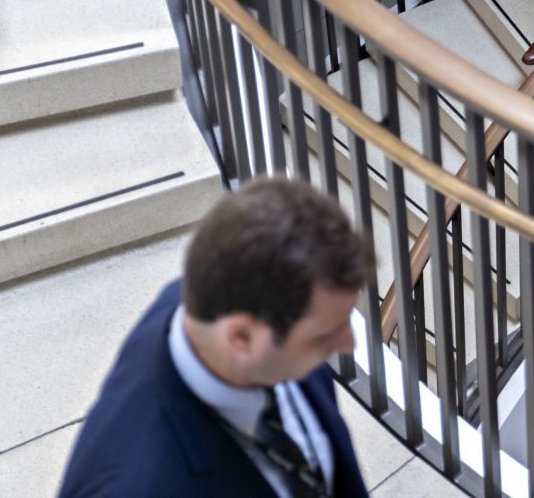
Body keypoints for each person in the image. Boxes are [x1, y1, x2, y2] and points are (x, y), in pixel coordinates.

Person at [58, 177, 374, 497]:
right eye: (323, 337)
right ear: (241, 337)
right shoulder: (139, 484)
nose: (349, 344)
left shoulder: (222, 299)